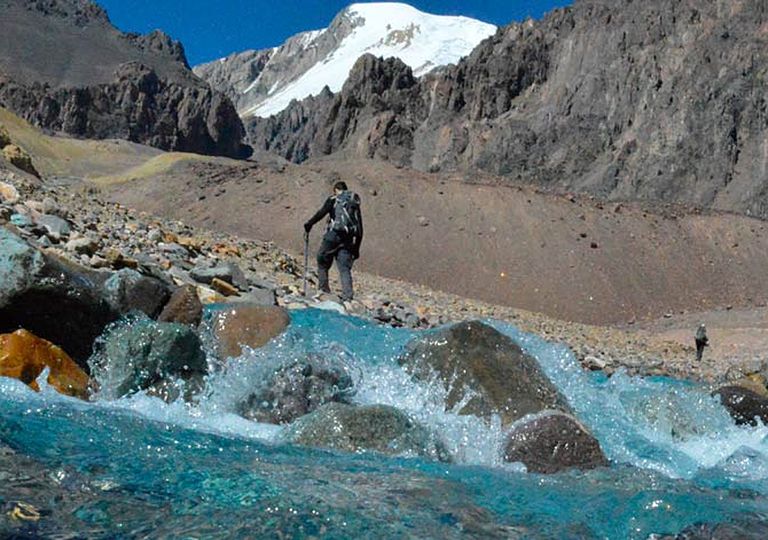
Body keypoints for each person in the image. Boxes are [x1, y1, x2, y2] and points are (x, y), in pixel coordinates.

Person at [304, 181, 363, 302]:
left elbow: (321, 213)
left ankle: (324, 290)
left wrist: (309, 224)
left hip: (332, 236)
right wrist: (356, 248)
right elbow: (360, 228)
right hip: (348, 240)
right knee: (344, 268)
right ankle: (348, 297)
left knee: (322, 261)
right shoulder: (353, 202)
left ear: (336, 189)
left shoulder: (334, 199)